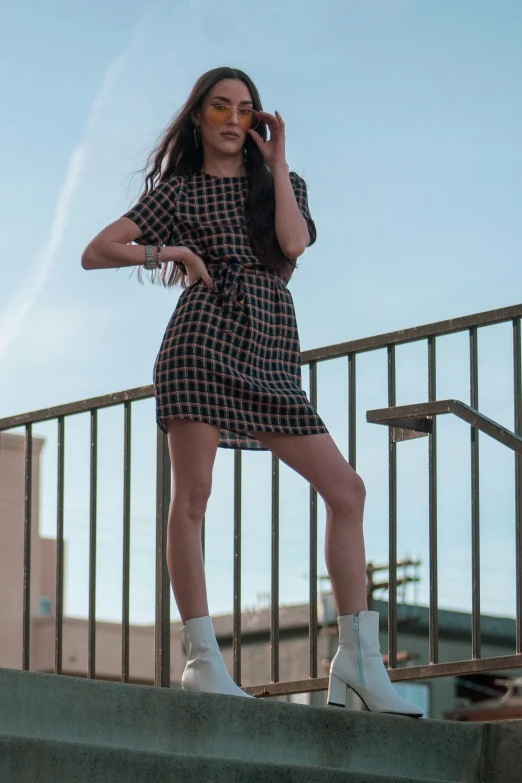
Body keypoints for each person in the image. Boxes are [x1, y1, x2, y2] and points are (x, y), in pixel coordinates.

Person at [81, 66, 422, 717]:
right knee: (195, 496)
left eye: (245, 109)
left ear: (258, 121)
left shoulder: (282, 186)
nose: (233, 120)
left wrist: (281, 159)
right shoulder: (179, 191)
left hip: (269, 349)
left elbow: (293, 243)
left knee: (346, 488)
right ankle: (202, 660)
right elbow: (98, 250)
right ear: (199, 119)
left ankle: (358, 661)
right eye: (219, 108)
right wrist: (171, 252)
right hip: (202, 341)